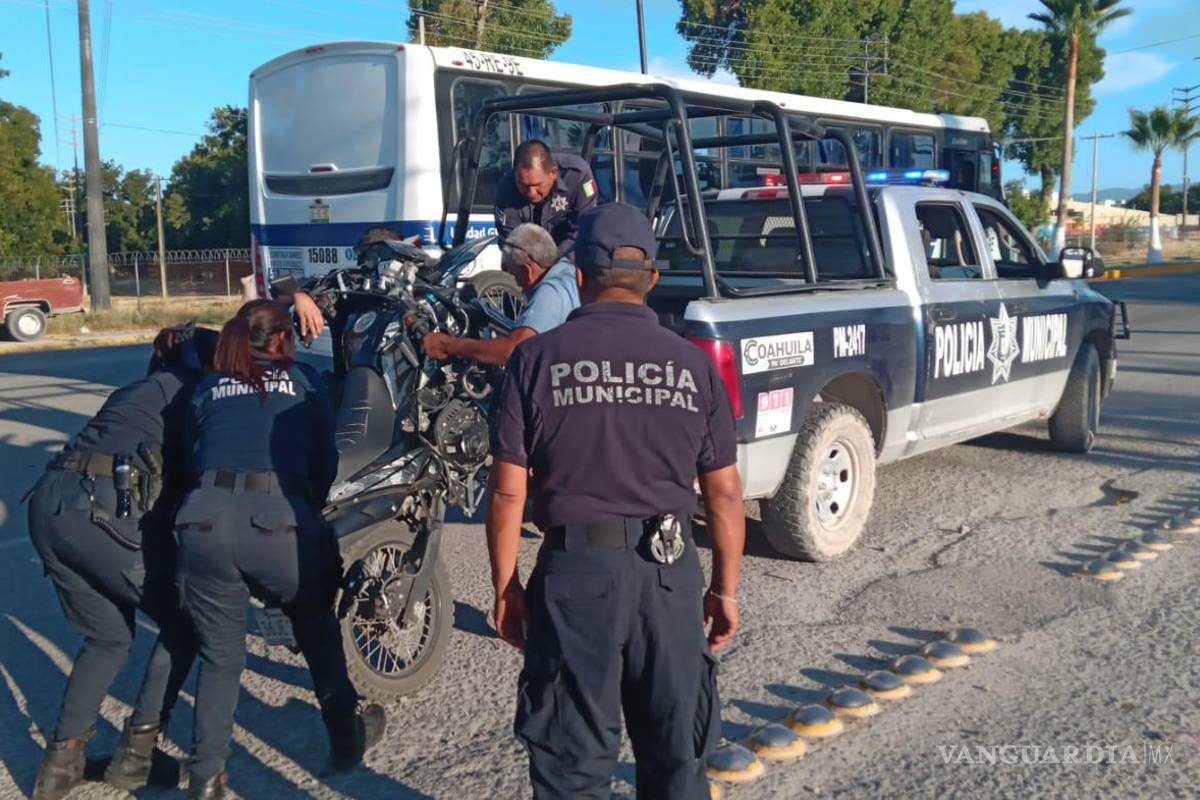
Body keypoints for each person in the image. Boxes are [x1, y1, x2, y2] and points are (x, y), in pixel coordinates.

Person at [486, 203, 746, 798]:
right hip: (670, 579)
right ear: (652, 278)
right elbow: (725, 494)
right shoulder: (693, 365)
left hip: (575, 576)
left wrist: (507, 586)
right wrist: (724, 588)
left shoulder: (534, 359)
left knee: (572, 768)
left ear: (578, 274)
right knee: (678, 760)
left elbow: (506, 490)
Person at [175, 300, 385, 799]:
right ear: (283, 339)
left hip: (203, 520)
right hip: (276, 520)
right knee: (315, 627)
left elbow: (190, 458)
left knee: (220, 656)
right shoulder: (306, 381)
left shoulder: (207, 387)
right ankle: (344, 740)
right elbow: (326, 463)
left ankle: (206, 776)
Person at [26, 324, 218, 800]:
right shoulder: (194, 396)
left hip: (49, 506)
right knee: (185, 621)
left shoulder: (143, 387)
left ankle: (59, 766)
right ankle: (137, 757)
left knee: (107, 637)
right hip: (104, 511)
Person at [422, 223, 579, 366]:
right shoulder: (566, 271)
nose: (517, 284)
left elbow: (513, 350)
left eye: (514, 274)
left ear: (527, 270)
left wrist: (449, 346)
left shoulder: (550, 293)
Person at [494, 139, 599, 259]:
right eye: (523, 185)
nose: (531, 193)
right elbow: (512, 241)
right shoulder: (506, 189)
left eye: (537, 185)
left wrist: (558, 263)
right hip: (530, 255)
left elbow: (585, 228)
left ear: (553, 173)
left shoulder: (577, 174)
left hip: (569, 251)